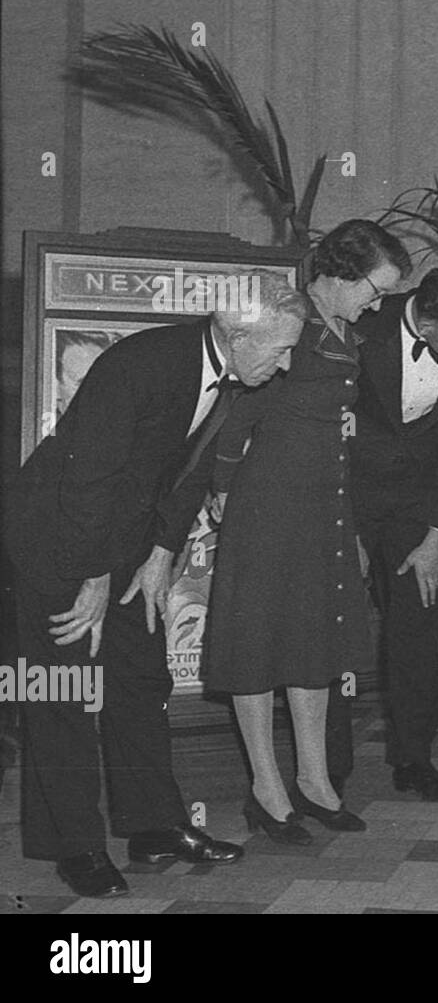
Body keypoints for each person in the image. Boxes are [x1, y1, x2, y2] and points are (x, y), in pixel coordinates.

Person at [4, 275, 307, 897]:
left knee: (141, 680)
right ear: (239, 333)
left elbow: (187, 473)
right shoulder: (141, 364)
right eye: (280, 350)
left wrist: (161, 552)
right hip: (58, 539)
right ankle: (76, 847)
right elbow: (88, 478)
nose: (286, 365)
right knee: (64, 691)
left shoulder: (231, 375)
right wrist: (93, 576)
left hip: (122, 539)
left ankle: (154, 827)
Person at [203, 219, 411, 844]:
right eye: (373, 290)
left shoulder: (344, 327)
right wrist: (220, 483)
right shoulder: (289, 318)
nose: (378, 304)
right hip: (267, 505)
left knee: (313, 642)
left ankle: (315, 782)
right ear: (339, 273)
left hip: (324, 505)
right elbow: (236, 407)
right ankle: (267, 791)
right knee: (257, 644)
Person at [325, 261, 438, 801]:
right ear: (427, 317)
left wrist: (434, 538)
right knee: (337, 628)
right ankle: (329, 766)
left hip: (415, 509)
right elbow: (325, 427)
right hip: (347, 498)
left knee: (416, 628)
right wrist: (343, 529)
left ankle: (414, 758)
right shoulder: (363, 326)